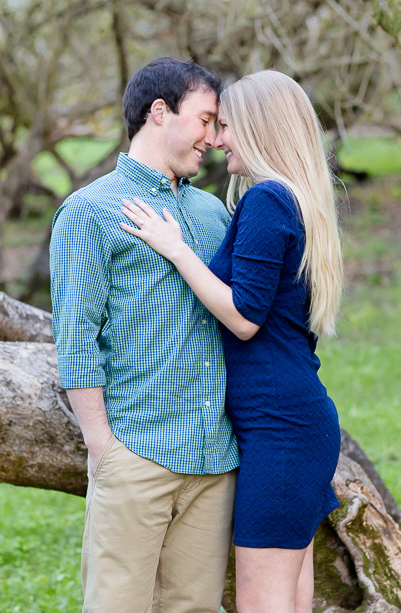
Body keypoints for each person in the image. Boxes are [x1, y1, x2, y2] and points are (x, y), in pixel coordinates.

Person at [119, 70, 344, 613]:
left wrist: (176, 248)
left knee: (260, 601)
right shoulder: (292, 199)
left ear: (260, 129)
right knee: (288, 598)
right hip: (291, 421)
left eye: (226, 125)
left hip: (280, 429)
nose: (217, 140)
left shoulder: (268, 200)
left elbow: (244, 317)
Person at [49, 56, 239, 613]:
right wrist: (102, 447)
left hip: (212, 459)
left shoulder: (212, 213)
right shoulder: (89, 212)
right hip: (136, 453)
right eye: (205, 120)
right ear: (160, 112)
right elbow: (76, 336)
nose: (213, 138)